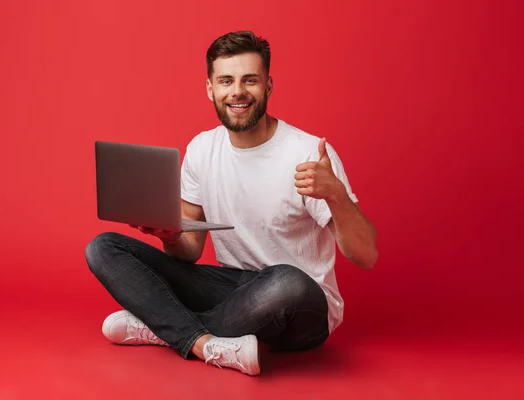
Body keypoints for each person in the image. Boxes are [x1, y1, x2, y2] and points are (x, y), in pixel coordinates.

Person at [85, 30, 378, 376]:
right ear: (211, 89)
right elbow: (189, 252)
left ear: (268, 86)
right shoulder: (201, 150)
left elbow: (367, 255)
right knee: (103, 247)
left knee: (288, 282)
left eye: (249, 80)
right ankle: (203, 342)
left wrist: (336, 194)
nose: (237, 91)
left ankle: (163, 327)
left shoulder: (307, 153)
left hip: (300, 306)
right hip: (232, 288)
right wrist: (170, 235)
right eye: (226, 81)